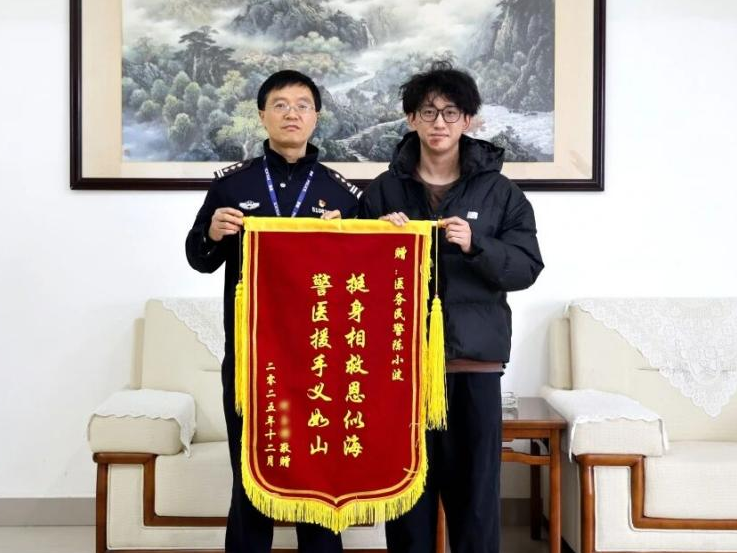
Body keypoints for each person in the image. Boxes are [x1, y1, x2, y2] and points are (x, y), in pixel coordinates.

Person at [359, 61, 544, 553]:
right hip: (401, 369)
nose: (439, 122)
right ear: (411, 119)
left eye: (450, 112)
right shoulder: (382, 191)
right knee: (406, 499)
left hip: (474, 367)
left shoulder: (502, 193)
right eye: (428, 111)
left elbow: (527, 268)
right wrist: (379, 242)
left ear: (468, 120)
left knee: (476, 502)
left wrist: (476, 243)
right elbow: (353, 280)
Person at [186, 70, 361, 553]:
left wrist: (352, 236)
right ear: (262, 115)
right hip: (252, 357)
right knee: (250, 473)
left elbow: (361, 278)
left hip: (319, 359)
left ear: (316, 117)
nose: (291, 114)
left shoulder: (342, 195)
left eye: (302, 105)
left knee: (319, 471)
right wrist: (213, 233)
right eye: (280, 105)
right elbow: (199, 259)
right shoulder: (232, 186)